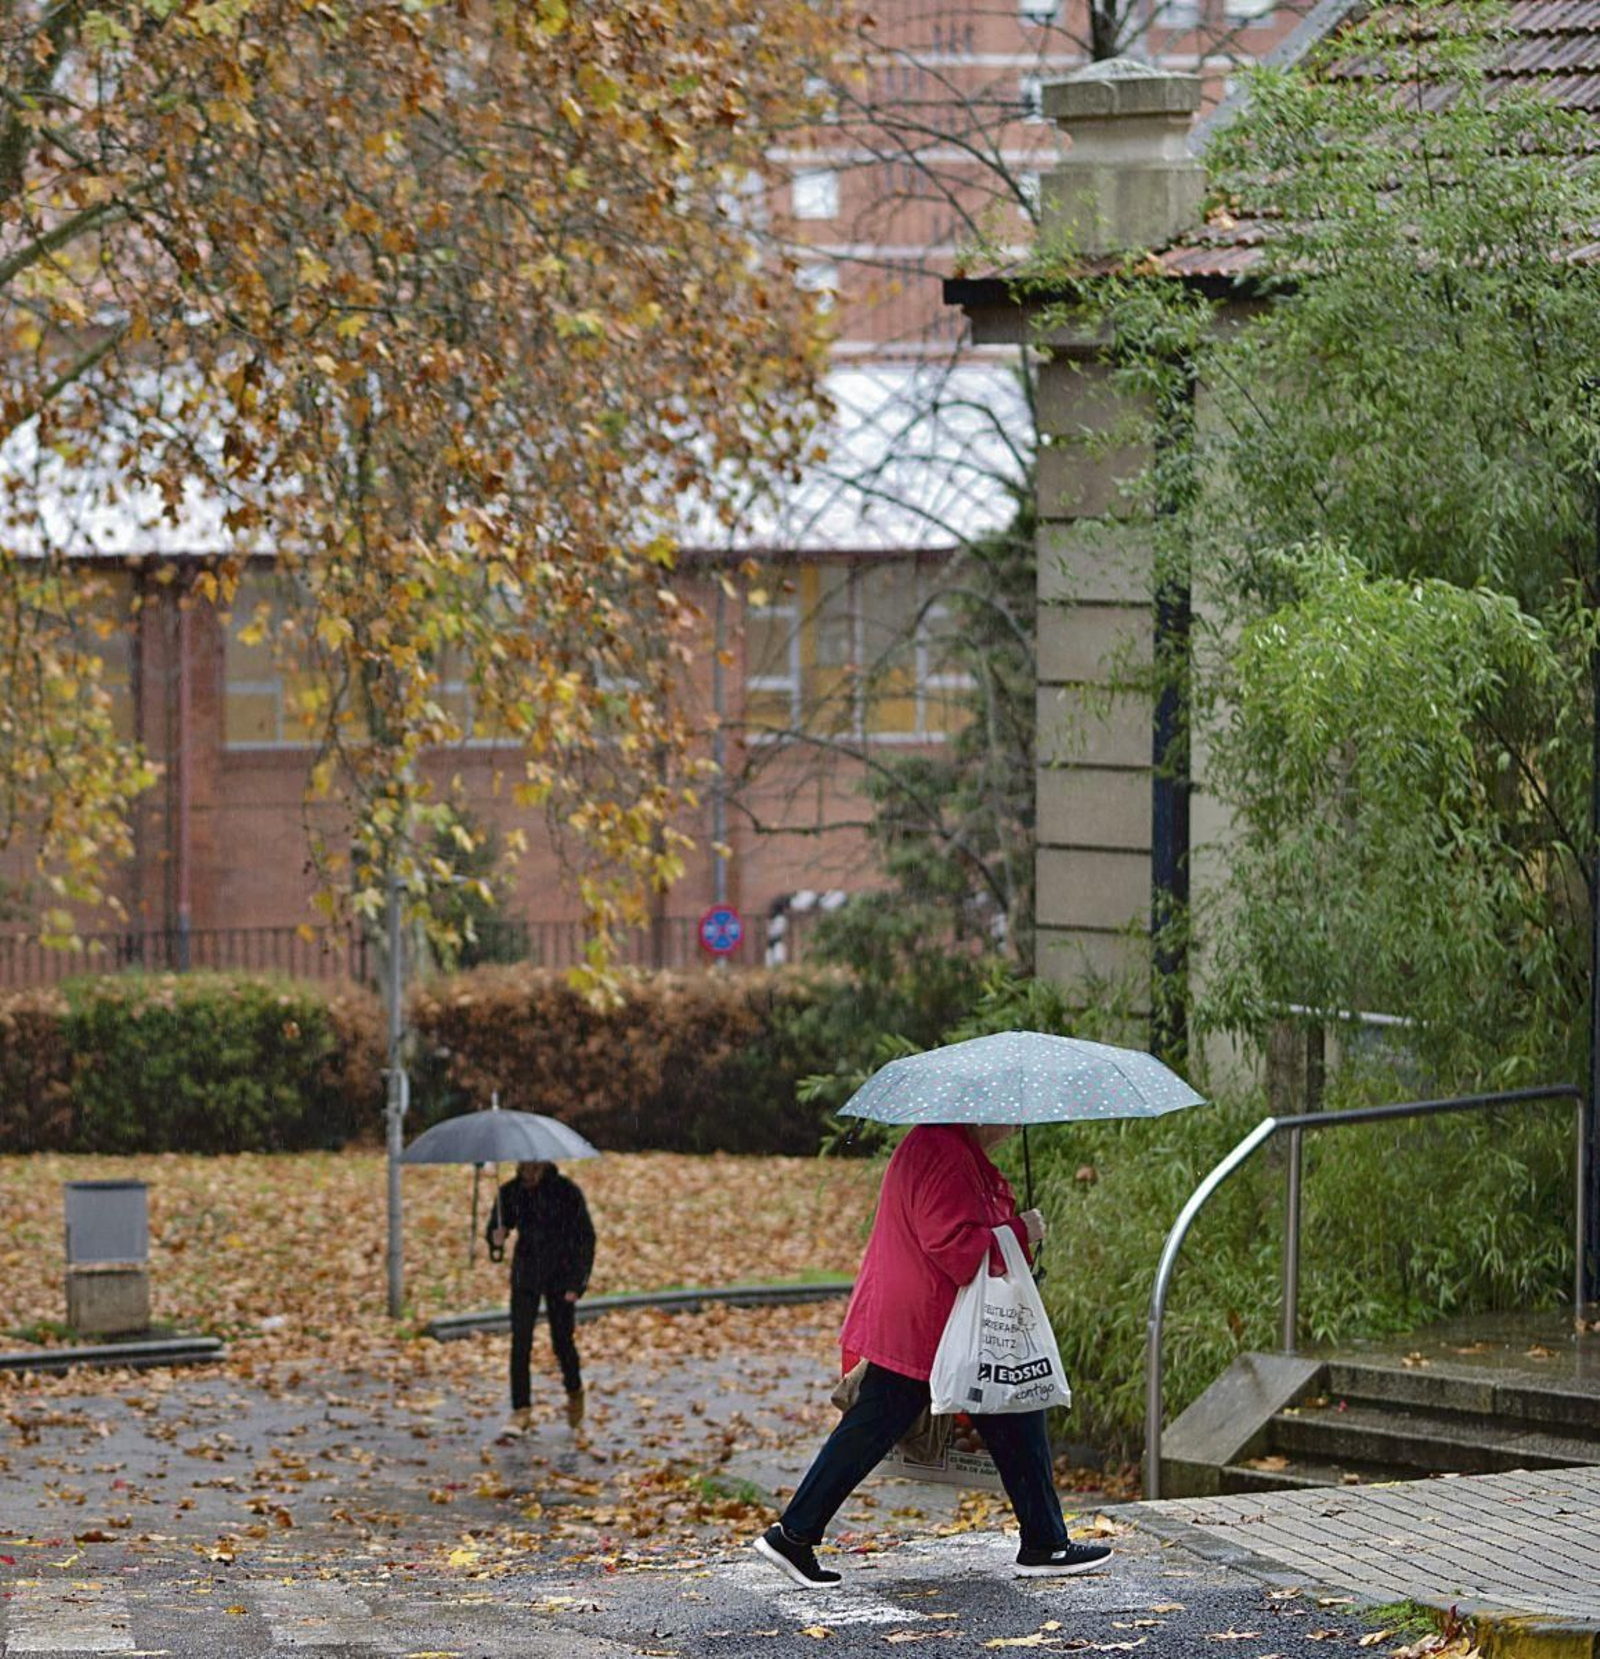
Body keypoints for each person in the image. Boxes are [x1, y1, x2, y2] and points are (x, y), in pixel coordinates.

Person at [753, 1122, 1112, 1588]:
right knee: (903, 1423)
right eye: (1010, 1116)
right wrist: (1020, 1230)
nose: (1016, 1125)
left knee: (1003, 1413)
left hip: (921, 1317)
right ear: (981, 1113)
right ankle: (793, 1534)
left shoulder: (941, 1146)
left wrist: (1010, 1230)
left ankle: (1044, 1539)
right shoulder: (945, 1154)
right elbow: (954, 1247)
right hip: (928, 1322)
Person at [488, 1159, 595, 1434]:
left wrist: (577, 1282)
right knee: (520, 1341)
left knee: (562, 1341)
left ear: (546, 1165)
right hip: (526, 1273)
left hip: (561, 1274)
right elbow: (498, 1228)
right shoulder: (510, 1192)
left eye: (535, 1168)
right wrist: (495, 1238)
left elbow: (585, 1238)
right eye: (525, 1168)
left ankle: (574, 1390)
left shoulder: (567, 1191)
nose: (530, 1174)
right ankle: (521, 1409)